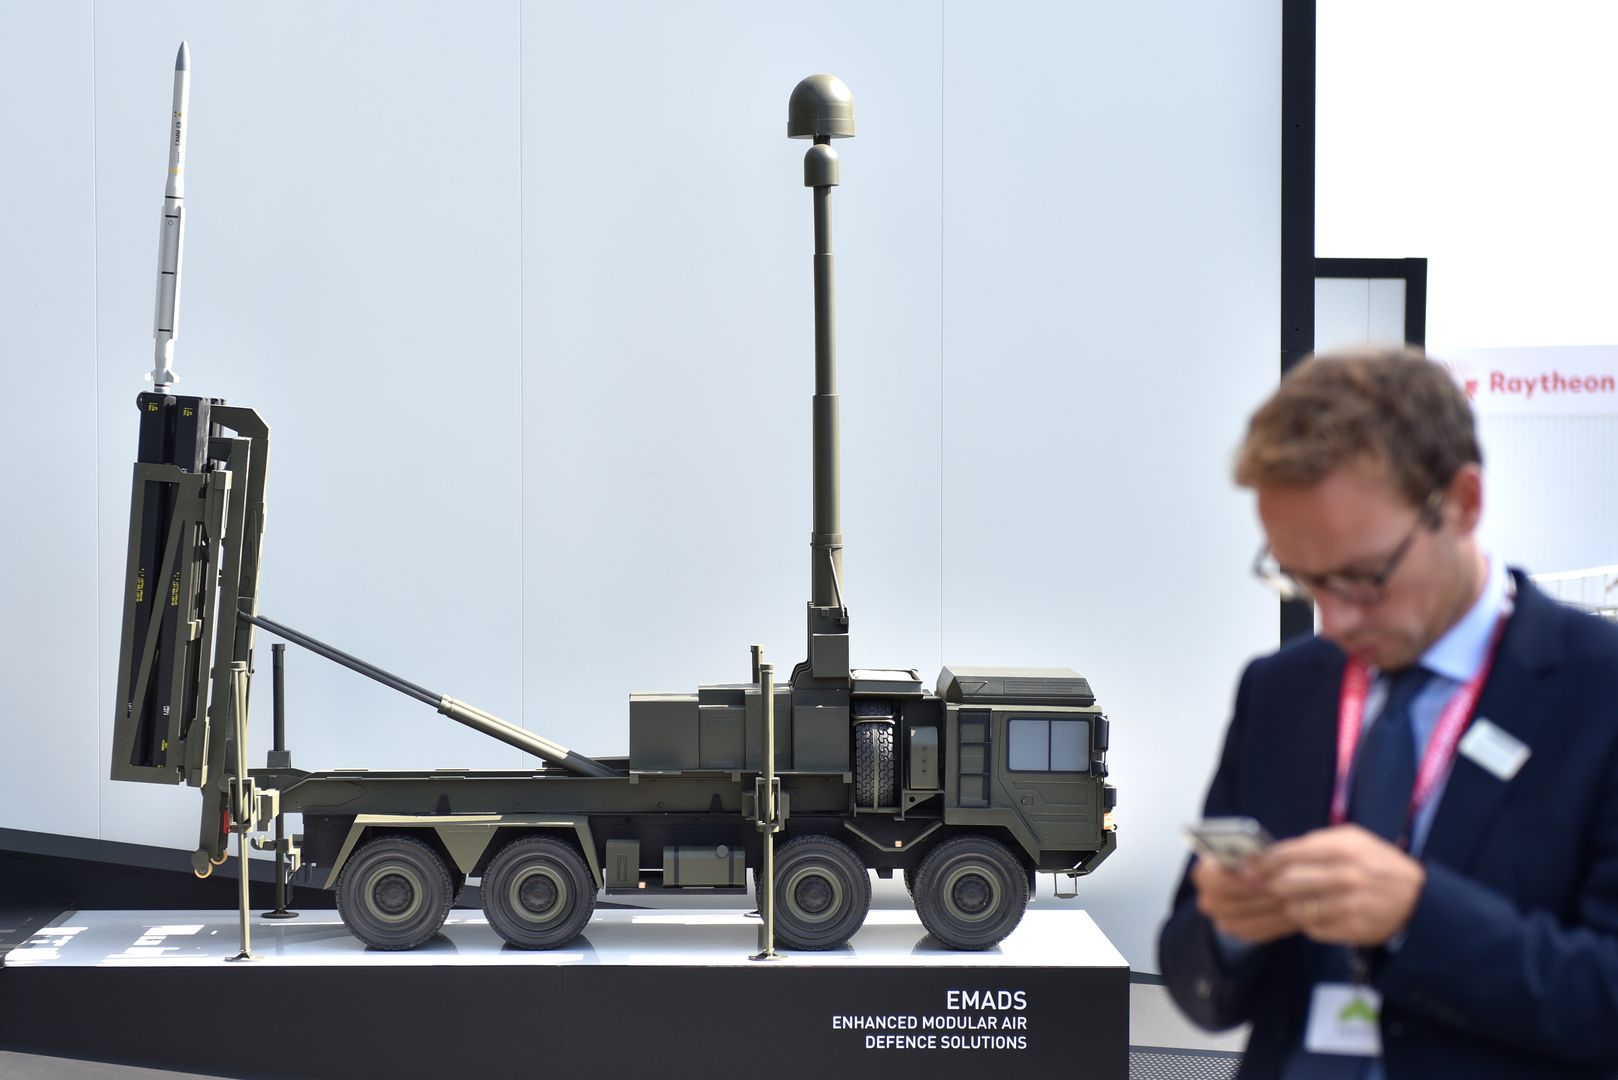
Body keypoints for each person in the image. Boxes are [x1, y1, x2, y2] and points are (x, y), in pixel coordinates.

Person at [1158, 345, 1618, 1078]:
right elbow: (1195, 981)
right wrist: (1229, 931)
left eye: (1365, 578)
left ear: (1463, 503)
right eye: (1303, 581)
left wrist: (1419, 916)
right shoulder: (1281, 690)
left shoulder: (1598, 689)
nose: (1335, 619)